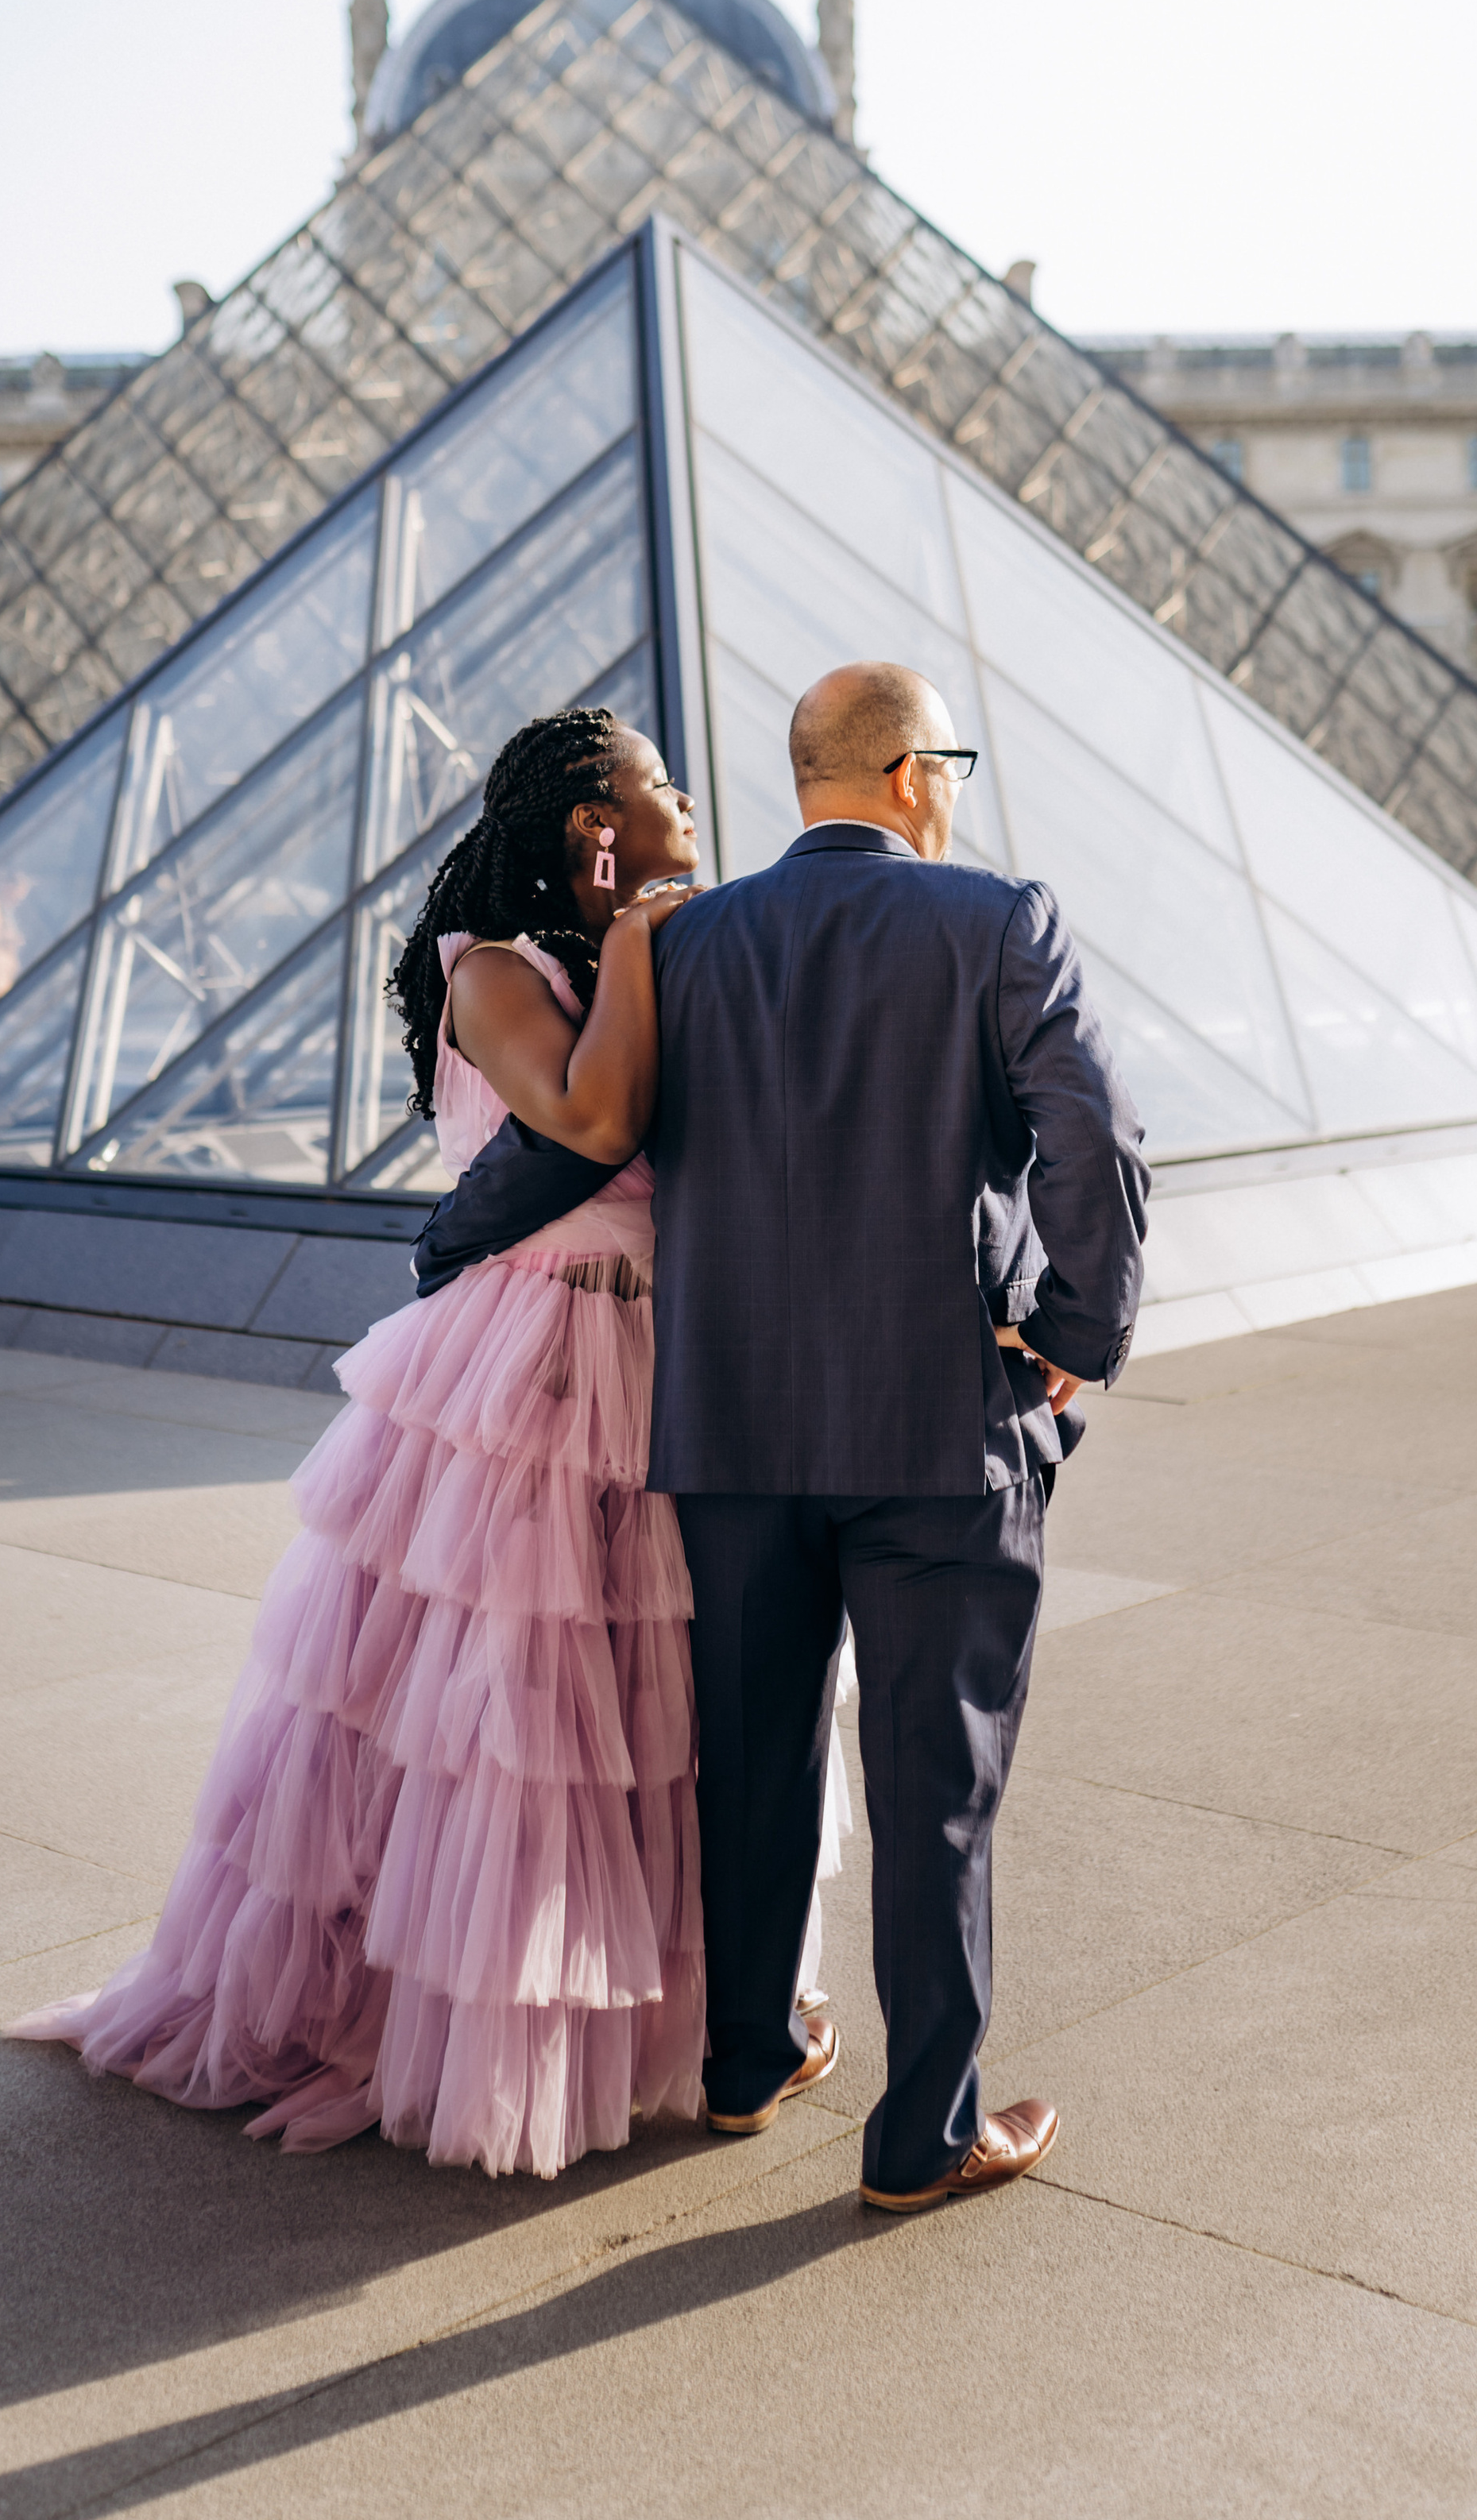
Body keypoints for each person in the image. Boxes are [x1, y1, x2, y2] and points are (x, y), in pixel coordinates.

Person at [10, 708, 707, 2178]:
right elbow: (586, 1120)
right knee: (506, 1708)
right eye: (657, 783)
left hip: (649, 1356)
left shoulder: (634, 952)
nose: (687, 798)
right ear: (596, 824)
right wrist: (646, 945)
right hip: (530, 1360)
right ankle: (439, 2028)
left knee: (630, 1714)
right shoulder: (494, 971)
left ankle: (626, 2020)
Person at [649, 661, 1149, 2212]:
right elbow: (1095, 1138)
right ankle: (920, 2137)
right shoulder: (996, 921)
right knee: (933, 1778)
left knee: (745, 1757)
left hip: (728, 1425)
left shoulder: (688, 943)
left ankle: (741, 2064)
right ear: (910, 772)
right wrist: (1072, 1337)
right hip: (939, 1421)